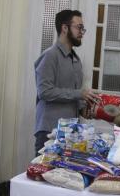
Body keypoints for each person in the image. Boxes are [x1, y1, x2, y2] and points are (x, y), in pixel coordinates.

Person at [34, 10, 99, 156]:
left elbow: (73, 93)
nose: (82, 32)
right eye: (79, 27)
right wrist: (80, 94)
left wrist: (84, 109)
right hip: (50, 130)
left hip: (71, 132)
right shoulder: (50, 56)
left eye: (83, 28)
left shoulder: (75, 59)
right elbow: (44, 92)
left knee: (64, 177)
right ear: (65, 28)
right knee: (43, 176)